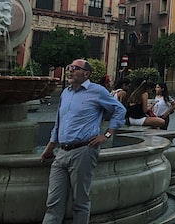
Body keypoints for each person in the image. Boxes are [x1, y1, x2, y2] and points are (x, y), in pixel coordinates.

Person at [40, 59, 126, 224]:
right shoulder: (66, 92)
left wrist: (106, 135)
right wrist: (50, 146)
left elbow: (119, 109)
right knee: (53, 202)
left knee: (80, 201)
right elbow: (59, 122)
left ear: (86, 73)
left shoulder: (97, 91)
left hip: (83, 151)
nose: (70, 71)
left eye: (75, 68)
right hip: (61, 153)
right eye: (69, 68)